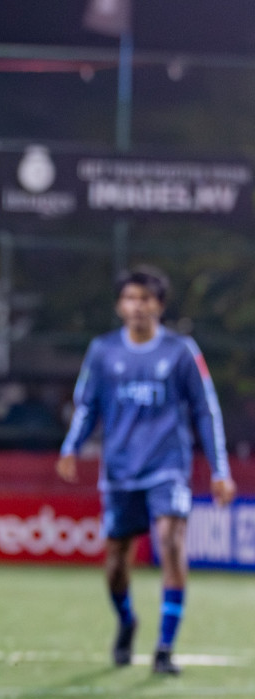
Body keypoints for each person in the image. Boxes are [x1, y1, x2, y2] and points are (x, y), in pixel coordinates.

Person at [58, 267, 236, 675]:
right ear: (120, 305)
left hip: (167, 467)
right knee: (117, 561)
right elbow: (88, 407)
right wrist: (71, 446)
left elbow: (206, 412)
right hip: (120, 470)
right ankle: (126, 622)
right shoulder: (102, 351)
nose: (137, 306)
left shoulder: (181, 351)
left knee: (171, 542)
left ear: (160, 305)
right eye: (130, 298)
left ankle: (164, 649)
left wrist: (219, 469)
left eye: (145, 298)